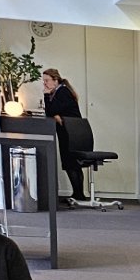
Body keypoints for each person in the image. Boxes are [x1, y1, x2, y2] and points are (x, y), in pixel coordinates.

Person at [42, 66, 87, 200]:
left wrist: (46, 95)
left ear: (55, 80)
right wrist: (55, 114)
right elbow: (54, 111)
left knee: (70, 163)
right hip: (72, 131)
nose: (45, 84)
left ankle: (78, 195)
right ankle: (78, 194)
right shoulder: (62, 91)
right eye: (44, 81)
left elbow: (51, 110)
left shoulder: (62, 92)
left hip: (69, 132)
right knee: (72, 164)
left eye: (47, 80)